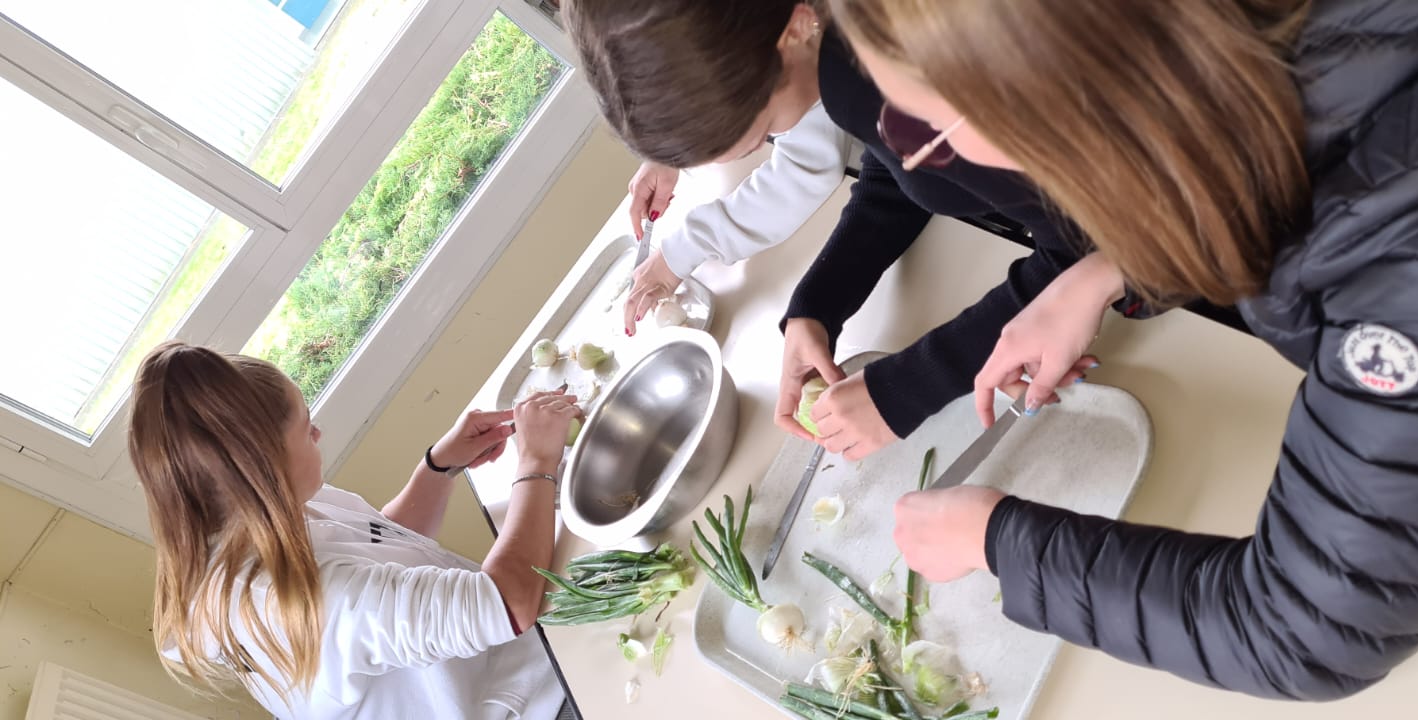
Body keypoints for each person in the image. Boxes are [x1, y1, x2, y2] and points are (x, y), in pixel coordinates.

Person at [831, 0, 1418, 701]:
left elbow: (1310, 631)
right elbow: (1260, 137)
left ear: (1060, 96)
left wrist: (995, 537)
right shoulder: (1227, 53)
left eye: (922, 131)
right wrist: (1112, 268)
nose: (911, 149)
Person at [562, 0, 1102, 458]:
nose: (762, 149)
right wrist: (817, 304)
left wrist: (909, 389)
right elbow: (901, 168)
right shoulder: (846, 56)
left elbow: (1088, 248)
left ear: (796, 27)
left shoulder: (892, 61)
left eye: (765, 130)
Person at [127, 341, 575, 719]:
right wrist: (536, 462)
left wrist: (438, 467)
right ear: (264, 469)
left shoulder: (260, 513)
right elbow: (507, 604)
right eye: (306, 428)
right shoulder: (305, 603)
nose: (318, 433)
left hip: (522, 664)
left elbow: (380, 548)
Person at [564, 0, 854, 337]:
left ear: (797, 31)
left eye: (761, 133)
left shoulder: (840, 53)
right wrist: (673, 150)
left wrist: (687, 247)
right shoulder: (769, 33)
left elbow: (806, 169)